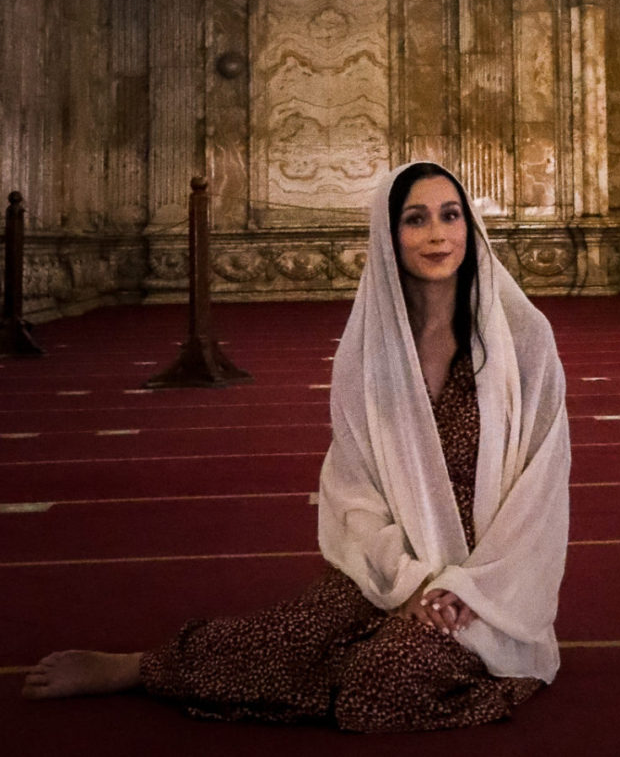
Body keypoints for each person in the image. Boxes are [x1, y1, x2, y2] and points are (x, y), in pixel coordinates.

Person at [23, 161, 571, 731]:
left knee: (383, 682)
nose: (437, 234)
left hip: (487, 584)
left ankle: (361, 664)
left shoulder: (522, 342)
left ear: (470, 227)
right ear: (388, 235)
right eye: (416, 219)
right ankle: (144, 667)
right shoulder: (371, 353)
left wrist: (462, 589)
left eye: (450, 215)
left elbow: (541, 491)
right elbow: (354, 490)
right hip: (400, 565)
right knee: (292, 630)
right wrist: (407, 579)